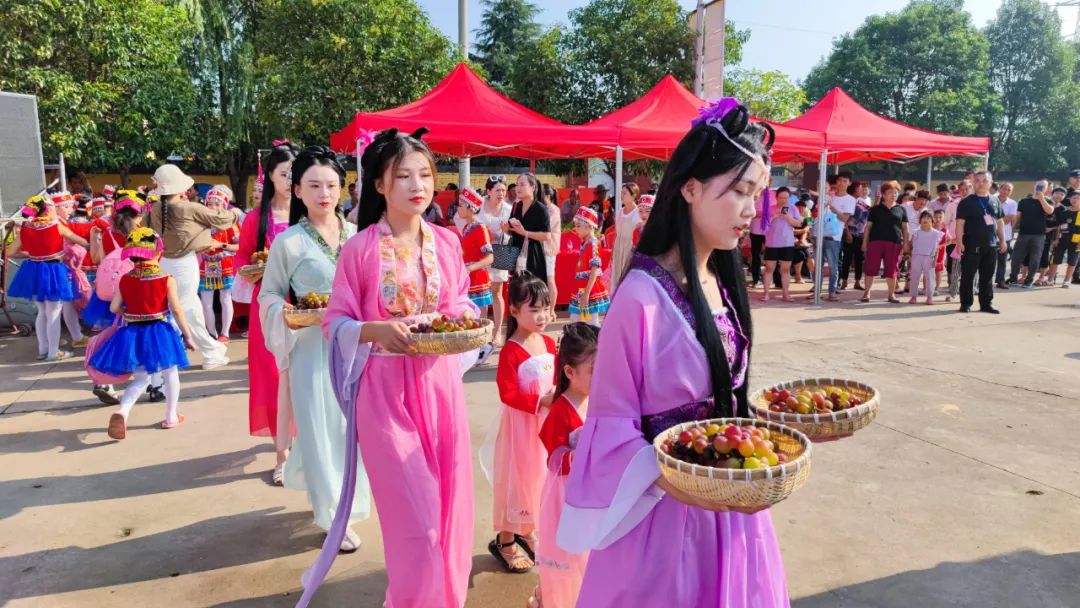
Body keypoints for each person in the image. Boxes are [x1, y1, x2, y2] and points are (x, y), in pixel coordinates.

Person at [557, 98, 787, 607]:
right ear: (689, 188)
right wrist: (689, 482)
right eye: (739, 191)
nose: (751, 210)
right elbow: (611, 428)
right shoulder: (639, 298)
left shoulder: (718, 279)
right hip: (666, 514)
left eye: (756, 193)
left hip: (731, 502)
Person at [298, 128, 479, 608]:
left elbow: (458, 300)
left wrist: (463, 319)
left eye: (425, 174)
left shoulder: (446, 241)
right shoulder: (358, 251)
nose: (417, 185)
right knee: (414, 518)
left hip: (439, 387)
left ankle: (445, 598)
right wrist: (376, 330)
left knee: (450, 506)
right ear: (378, 185)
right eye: (402, 176)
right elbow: (336, 321)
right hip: (383, 393)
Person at [258, 145, 371, 554]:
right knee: (321, 430)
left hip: (357, 347)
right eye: (314, 185)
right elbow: (268, 295)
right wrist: (284, 312)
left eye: (331, 184)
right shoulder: (288, 242)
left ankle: (348, 503)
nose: (325, 193)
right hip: (311, 348)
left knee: (352, 431)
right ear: (299, 191)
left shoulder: (360, 236)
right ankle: (333, 516)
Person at [89, 228, 195, 440]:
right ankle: (171, 416)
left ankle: (123, 412)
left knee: (139, 379)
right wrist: (188, 335)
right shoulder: (166, 279)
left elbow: (113, 308)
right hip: (160, 331)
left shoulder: (126, 279)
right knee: (170, 372)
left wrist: (129, 313)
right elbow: (177, 310)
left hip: (132, 333)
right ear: (157, 253)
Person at [482, 272, 556, 574]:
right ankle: (506, 539)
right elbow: (507, 392)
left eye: (546, 308)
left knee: (540, 479)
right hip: (520, 430)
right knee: (516, 481)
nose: (542, 316)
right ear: (513, 311)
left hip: (544, 429)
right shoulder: (512, 350)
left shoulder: (549, 342)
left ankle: (529, 530)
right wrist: (539, 402)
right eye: (534, 309)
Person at [237, 141, 299, 484]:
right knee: (275, 378)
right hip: (271, 308)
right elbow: (243, 258)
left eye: (294, 174)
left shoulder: (308, 215)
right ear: (272, 177)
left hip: (308, 306)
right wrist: (256, 269)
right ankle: (282, 455)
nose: (290, 180)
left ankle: (306, 447)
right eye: (284, 174)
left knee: (305, 377)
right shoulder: (255, 219)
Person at [531, 322, 599, 608]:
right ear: (569, 372)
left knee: (590, 556)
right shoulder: (561, 409)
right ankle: (551, 597)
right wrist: (582, 451)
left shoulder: (598, 400)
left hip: (593, 490)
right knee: (570, 557)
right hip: (567, 497)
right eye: (596, 370)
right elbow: (553, 457)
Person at [146, 164, 233, 370]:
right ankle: (209, 352)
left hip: (164, 263)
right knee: (187, 309)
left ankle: (210, 349)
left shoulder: (155, 209)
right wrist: (235, 213)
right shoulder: (189, 207)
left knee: (185, 308)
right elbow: (224, 219)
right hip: (185, 265)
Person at [7, 192, 89, 361]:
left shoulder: (26, 227)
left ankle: (43, 350)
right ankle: (53, 353)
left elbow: (10, 252)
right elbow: (82, 242)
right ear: (46, 210)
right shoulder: (56, 226)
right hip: (54, 271)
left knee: (42, 311)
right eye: (51, 206)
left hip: (33, 270)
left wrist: (34, 254)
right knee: (53, 312)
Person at [955, 170, 1006, 313]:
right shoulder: (966, 202)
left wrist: (1002, 240)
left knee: (987, 276)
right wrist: (959, 242)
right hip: (971, 245)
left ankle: (986, 304)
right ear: (973, 183)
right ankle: (966, 304)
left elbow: (1000, 221)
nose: (981, 183)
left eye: (984, 180)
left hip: (990, 245)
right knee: (968, 276)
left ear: (990, 183)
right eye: (977, 181)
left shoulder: (995, 201)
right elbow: (960, 223)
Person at [197, 186, 240, 342]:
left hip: (225, 263)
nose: (213, 207)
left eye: (217, 203)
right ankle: (211, 333)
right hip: (206, 264)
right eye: (210, 203)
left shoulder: (230, 224)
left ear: (224, 205)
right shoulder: (201, 223)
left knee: (225, 298)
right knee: (206, 302)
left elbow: (239, 246)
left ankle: (225, 333)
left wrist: (221, 245)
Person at [50, 192, 89, 348]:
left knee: (66, 304)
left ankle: (75, 336)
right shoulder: (56, 224)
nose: (70, 209)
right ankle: (51, 338)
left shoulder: (60, 222)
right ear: (56, 208)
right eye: (65, 206)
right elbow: (68, 247)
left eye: (69, 206)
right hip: (59, 268)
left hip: (61, 268)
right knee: (54, 307)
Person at [479, 176, 513, 344]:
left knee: (498, 292)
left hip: (502, 249)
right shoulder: (479, 206)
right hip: (480, 252)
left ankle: (498, 331)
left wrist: (506, 232)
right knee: (481, 292)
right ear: (488, 191)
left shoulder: (509, 209)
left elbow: (514, 233)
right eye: (497, 190)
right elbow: (462, 219)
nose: (501, 193)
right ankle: (482, 331)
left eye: (503, 190)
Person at [861, 181, 908, 303]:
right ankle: (866, 293)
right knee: (870, 268)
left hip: (894, 243)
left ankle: (891, 295)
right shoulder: (875, 209)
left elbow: (905, 228)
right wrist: (864, 243)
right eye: (890, 193)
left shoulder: (901, 209)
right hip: (875, 242)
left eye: (896, 192)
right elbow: (868, 227)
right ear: (883, 194)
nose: (893, 195)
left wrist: (906, 243)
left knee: (892, 270)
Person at [567, 207, 610, 326]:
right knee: (578, 320)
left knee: (590, 322)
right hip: (582, 287)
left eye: (579, 225)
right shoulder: (586, 243)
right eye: (576, 225)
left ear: (589, 226)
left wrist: (586, 293)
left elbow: (594, 270)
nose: (576, 229)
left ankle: (597, 343)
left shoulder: (593, 244)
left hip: (588, 288)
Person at [506, 173, 551, 286]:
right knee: (517, 291)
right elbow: (511, 231)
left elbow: (546, 236)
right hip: (515, 255)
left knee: (533, 290)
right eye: (517, 185)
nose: (518, 188)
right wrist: (506, 229)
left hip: (533, 256)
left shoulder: (541, 209)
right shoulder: (516, 206)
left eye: (522, 184)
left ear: (533, 187)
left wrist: (525, 233)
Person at [1009, 180, 1055, 287]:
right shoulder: (1024, 201)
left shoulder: (1048, 201)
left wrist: (1041, 198)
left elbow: (1050, 211)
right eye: (1038, 185)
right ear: (1034, 186)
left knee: (1035, 259)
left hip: (1039, 235)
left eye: (1043, 186)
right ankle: (1013, 278)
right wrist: (1012, 230)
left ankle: (1029, 280)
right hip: (1023, 234)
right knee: (1016, 257)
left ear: (1047, 188)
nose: (1040, 188)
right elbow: (1017, 216)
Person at [459, 187, 496, 314]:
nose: (457, 208)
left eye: (460, 205)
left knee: (479, 321)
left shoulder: (481, 228)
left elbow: (490, 258)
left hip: (478, 279)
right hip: (467, 278)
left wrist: (469, 268)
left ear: (470, 208)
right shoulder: (466, 228)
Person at [761, 187, 801, 302]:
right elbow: (764, 227)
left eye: (786, 198)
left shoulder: (793, 209)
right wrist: (774, 216)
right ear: (776, 197)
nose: (783, 200)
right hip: (772, 243)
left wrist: (788, 218)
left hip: (787, 243)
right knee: (769, 268)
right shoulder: (769, 208)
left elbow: (798, 223)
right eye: (781, 198)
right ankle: (766, 293)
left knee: (785, 269)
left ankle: (786, 293)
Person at [812, 184, 844, 301]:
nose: (822, 189)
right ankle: (817, 290)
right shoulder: (816, 200)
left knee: (832, 265)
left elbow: (826, 200)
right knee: (818, 265)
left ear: (829, 189)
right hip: (817, 235)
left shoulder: (829, 198)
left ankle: (832, 291)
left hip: (830, 237)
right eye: (820, 187)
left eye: (825, 187)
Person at [609, 183, 640, 290]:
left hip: (630, 249)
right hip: (619, 248)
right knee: (616, 277)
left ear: (633, 195)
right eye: (621, 193)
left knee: (628, 277)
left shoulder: (638, 213)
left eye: (625, 193)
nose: (622, 195)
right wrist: (613, 251)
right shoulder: (619, 212)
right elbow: (616, 234)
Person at [840, 182, 870, 291]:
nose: (862, 190)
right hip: (850, 233)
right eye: (860, 188)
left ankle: (857, 281)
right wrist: (847, 233)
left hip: (861, 234)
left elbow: (870, 212)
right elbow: (844, 219)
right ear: (854, 189)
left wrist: (877, 199)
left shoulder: (861, 201)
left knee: (859, 259)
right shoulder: (848, 200)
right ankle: (844, 281)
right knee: (847, 258)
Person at [898, 190, 930, 295]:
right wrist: (904, 240)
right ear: (916, 197)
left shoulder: (925, 211)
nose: (923, 202)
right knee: (897, 262)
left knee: (912, 265)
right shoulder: (905, 206)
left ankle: (908, 285)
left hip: (916, 241)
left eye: (926, 200)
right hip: (902, 239)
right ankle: (896, 285)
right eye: (921, 199)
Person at [1047, 191, 1080, 288]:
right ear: (1070, 199)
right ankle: (1050, 279)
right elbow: (1059, 226)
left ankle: (1066, 281)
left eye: (1078, 198)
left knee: (1072, 261)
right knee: (1055, 260)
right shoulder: (1064, 211)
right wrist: (1056, 239)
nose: (1075, 200)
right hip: (1062, 239)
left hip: (1076, 241)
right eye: (1073, 198)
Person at [908, 210, 942, 305]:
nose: (925, 220)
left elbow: (937, 248)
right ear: (920, 220)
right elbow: (911, 245)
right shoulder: (916, 232)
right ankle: (913, 296)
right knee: (915, 277)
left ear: (932, 220)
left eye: (928, 218)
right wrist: (910, 256)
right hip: (916, 257)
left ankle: (929, 297)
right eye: (923, 218)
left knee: (930, 278)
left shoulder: (936, 233)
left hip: (929, 258)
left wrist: (935, 260)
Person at [540, 183, 562, 316]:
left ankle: (552, 310)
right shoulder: (544, 208)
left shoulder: (554, 210)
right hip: (541, 248)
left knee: (550, 279)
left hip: (549, 249)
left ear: (548, 196)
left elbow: (545, 226)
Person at [993, 182, 1017, 289]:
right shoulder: (991, 199)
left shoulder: (1013, 203)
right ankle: (984, 281)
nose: (1005, 191)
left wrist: (995, 219)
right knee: (987, 260)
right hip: (990, 235)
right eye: (1004, 189)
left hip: (1005, 236)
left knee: (1002, 260)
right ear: (999, 189)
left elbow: (1008, 220)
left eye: (1008, 190)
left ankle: (1000, 281)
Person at [747, 188, 769, 288]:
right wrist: (762, 213)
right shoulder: (752, 194)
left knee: (772, 255)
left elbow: (776, 210)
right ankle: (756, 279)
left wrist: (765, 213)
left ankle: (775, 280)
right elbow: (748, 211)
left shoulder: (772, 195)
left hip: (769, 231)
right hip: (755, 231)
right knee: (756, 256)